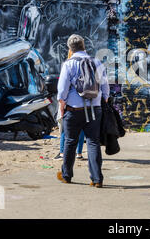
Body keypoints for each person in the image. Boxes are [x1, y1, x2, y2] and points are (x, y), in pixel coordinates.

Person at [56, 34, 109, 187]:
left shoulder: (69, 64)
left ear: (70, 49)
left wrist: (62, 105)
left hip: (74, 109)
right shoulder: (97, 62)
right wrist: (103, 99)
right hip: (94, 108)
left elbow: (62, 90)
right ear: (84, 46)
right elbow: (105, 85)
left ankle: (66, 175)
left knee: (70, 141)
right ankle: (97, 179)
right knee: (93, 142)